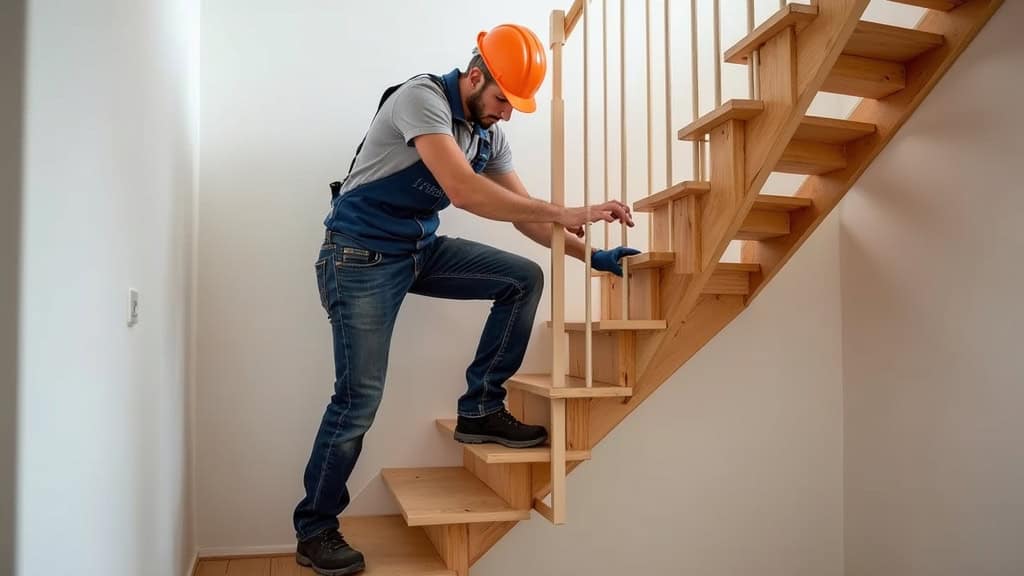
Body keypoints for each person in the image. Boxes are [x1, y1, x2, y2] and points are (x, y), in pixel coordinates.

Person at [293, 23, 639, 575]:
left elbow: (527, 215)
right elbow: (463, 190)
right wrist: (566, 212)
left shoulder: (489, 133)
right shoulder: (421, 99)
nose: (508, 113)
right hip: (357, 257)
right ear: (475, 76)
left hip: (416, 249)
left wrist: (591, 256)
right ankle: (315, 529)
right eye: (503, 98)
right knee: (358, 400)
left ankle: (481, 407)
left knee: (522, 277)